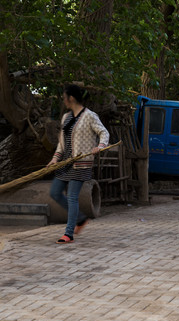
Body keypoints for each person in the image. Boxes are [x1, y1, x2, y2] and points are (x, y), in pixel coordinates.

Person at [48, 84, 110, 244]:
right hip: (65, 163)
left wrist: (100, 146)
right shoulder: (66, 117)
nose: (64, 100)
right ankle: (81, 218)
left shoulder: (90, 116)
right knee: (54, 192)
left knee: (72, 197)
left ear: (72, 98)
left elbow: (104, 132)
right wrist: (55, 158)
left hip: (81, 163)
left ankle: (69, 233)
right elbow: (62, 143)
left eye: (65, 97)